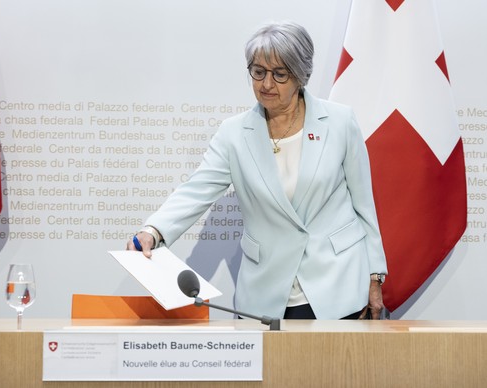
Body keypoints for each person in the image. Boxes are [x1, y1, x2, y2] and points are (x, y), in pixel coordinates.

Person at [127, 21, 387, 320]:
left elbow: (363, 206)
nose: (266, 84)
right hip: (267, 291)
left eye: (279, 74)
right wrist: (153, 231)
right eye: (258, 72)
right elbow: (196, 191)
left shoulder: (340, 122)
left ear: (301, 75)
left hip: (339, 284)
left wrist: (375, 275)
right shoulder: (233, 133)